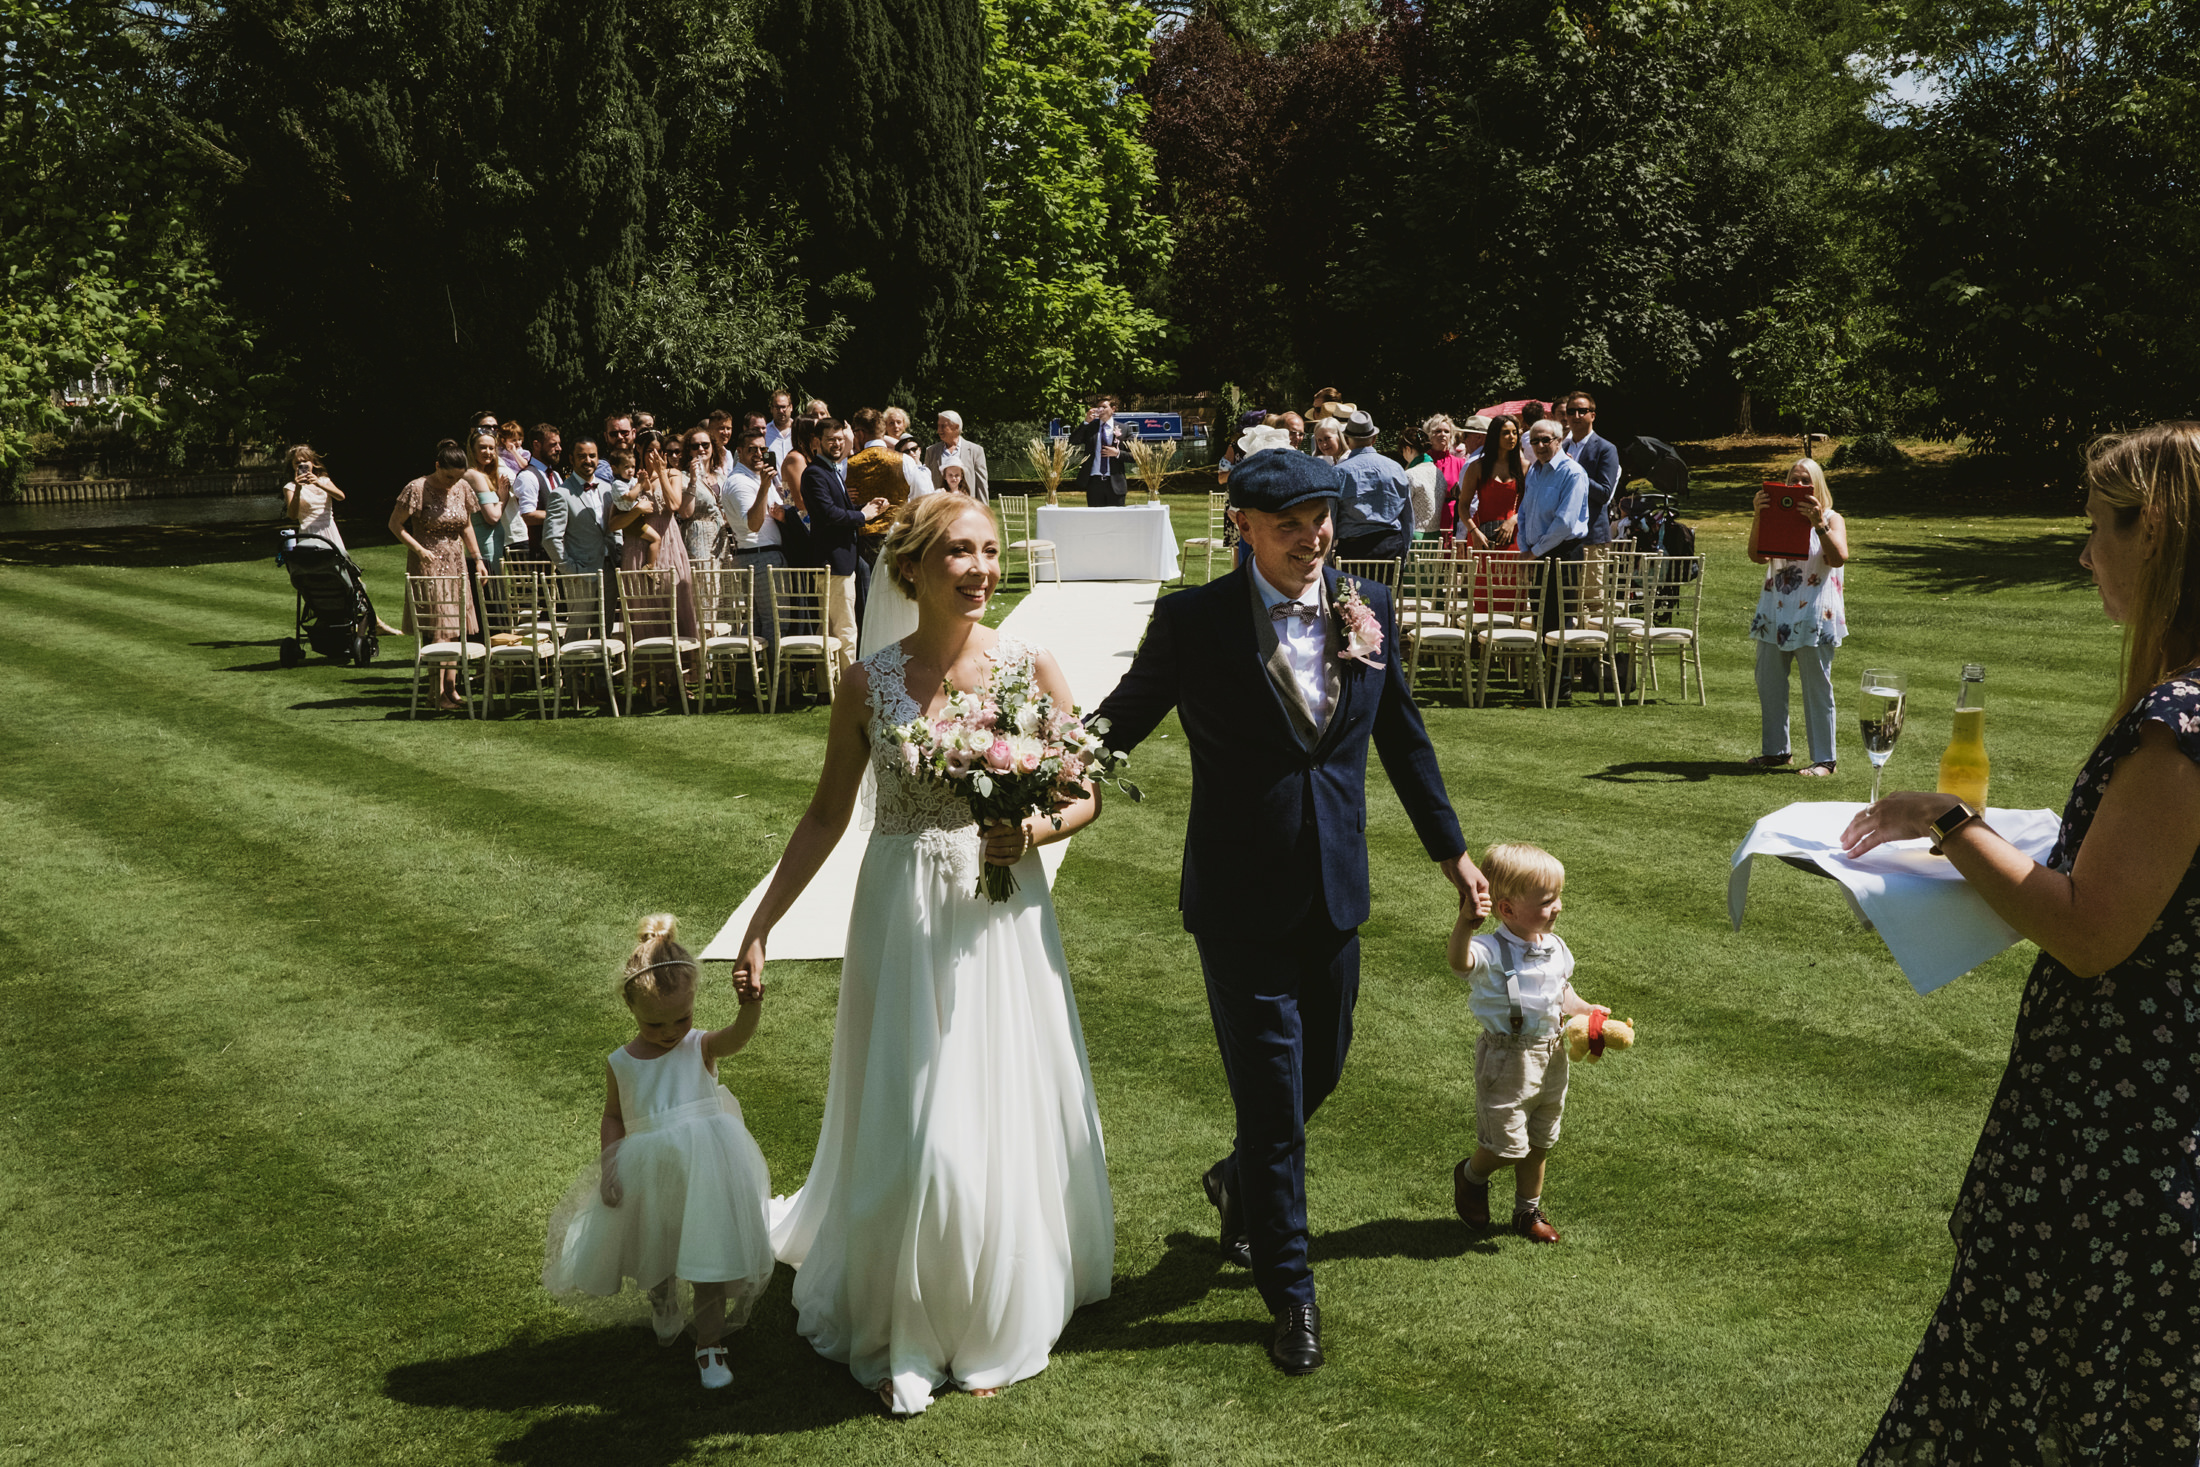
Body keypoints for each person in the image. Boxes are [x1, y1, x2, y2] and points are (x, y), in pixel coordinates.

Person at [1839, 421, 2200, 1465]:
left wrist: (1948, 825)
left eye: (2098, 532)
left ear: (2160, 535)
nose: (2086, 555)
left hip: (2111, 1162)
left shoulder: (2181, 723)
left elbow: (2091, 933)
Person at [1089, 446, 1489, 1377]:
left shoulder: (1369, 608)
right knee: (1276, 1109)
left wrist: (1453, 854)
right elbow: (1120, 721)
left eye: (1323, 520)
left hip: (1335, 890)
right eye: (1290, 525)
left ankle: (1237, 1183)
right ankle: (1292, 1292)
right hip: (1235, 898)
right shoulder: (1193, 622)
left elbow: (1405, 740)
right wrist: (1021, 774)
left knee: (1323, 1070)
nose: (1313, 539)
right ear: (1245, 529)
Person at [729, 494, 1113, 1415]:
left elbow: (1086, 792)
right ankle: (908, 1301)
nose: (980, 569)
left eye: (989, 551)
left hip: (1003, 914)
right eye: (958, 553)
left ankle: (990, 1304)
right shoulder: (868, 683)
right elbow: (827, 814)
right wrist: (761, 924)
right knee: (913, 1109)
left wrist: (1034, 828)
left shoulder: (1031, 667)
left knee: (992, 1099)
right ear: (912, 569)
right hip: (901, 912)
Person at [541, 914, 774, 1391]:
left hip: (705, 1169)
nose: (670, 1032)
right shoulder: (621, 1063)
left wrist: (749, 1008)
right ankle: (663, 1300)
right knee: (657, 1246)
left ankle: (709, 1343)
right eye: (655, 1023)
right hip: (651, 1170)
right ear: (631, 1009)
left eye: (681, 1018)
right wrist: (611, 1163)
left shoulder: (698, 1047)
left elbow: (737, 1037)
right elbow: (614, 1117)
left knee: (707, 1252)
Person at [1447, 843, 1604, 1245]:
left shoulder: (1555, 947)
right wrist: (1465, 923)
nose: (1558, 907)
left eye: (1559, 897)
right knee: (1506, 1144)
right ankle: (1471, 1176)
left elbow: (1561, 994)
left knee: (1540, 1139)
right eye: (1547, 900)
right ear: (1507, 909)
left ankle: (1527, 1210)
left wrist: (1587, 1012)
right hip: (1507, 1058)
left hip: (1551, 1055)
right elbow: (1459, 963)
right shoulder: (1490, 949)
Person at [1746, 458, 1848, 775]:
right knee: (1769, 682)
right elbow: (1757, 555)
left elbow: (1839, 557)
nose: (1800, 487)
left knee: (1817, 687)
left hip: (1815, 611)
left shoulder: (1832, 518)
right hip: (1775, 608)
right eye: (1794, 481)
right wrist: (1759, 516)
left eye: (1807, 481)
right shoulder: (1777, 517)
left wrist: (1819, 523)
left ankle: (1824, 759)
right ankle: (1776, 751)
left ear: (1818, 485)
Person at [388, 439, 488, 712]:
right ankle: (436, 693)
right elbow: (395, 525)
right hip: (429, 563)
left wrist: (477, 559)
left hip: (456, 562)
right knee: (440, 629)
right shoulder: (416, 488)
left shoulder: (462, 488)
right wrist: (419, 549)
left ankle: (451, 690)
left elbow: (467, 525)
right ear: (436, 466)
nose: (450, 483)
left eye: (456, 478)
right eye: (447, 476)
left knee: (455, 628)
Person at [799, 418, 887, 681]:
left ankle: (831, 687)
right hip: (832, 563)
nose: (837, 444)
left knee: (835, 631)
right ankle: (851, 689)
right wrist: (864, 516)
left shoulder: (832, 470)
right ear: (817, 442)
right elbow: (828, 515)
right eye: (830, 439)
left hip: (840, 561)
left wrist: (865, 507)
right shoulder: (815, 473)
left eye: (840, 439)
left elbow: (840, 511)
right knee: (845, 630)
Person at [1517, 419, 1591, 699]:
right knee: (1541, 617)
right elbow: (1524, 512)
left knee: (1559, 619)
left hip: (1562, 551)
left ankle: (1561, 685)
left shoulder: (1572, 472)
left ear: (1559, 440)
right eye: (1535, 441)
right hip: (1536, 551)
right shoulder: (1534, 471)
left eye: (1546, 440)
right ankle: (1543, 680)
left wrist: (1534, 552)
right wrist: (1525, 546)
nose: (1540, 446)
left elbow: (1564, 523)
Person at [722, 427, 786, 646]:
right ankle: (777, 679)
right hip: (759, 557)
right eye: (752, 450)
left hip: (763, 556)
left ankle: (749, 680)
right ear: (739, 451)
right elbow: (753, 525)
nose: (759, 453)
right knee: (776, 622)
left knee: (757, 625)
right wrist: (765, 488)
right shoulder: (739, 482)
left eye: (762, 449)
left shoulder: (758, 477)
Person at [1560, 393, 1621, 615]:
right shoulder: (1561, 446)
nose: (1576, 416)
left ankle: (1595, 649)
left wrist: (1575, 470)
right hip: (1564, 536)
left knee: (1592, 602)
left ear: (1592, 415)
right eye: (1570, 411)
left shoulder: (1605, 448)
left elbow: (1604, 493)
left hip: (1591, 537)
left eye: (1582, 411)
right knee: (1568, 602)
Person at [1332, 411, 1413, 562]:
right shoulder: (1396, 468)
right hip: (1391, 548)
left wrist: (1328, 554)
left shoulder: (1339, 472)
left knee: (1350, 587)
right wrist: (1405, 550)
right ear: (1374, 439)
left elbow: (1332, 515)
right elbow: (1407, 516)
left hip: (1351, 550)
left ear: (1347, 440)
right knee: (1389, 586)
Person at [1456, 416, 1524, 549]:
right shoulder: (1476, 467)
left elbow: (1530, 504)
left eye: (1514, 433)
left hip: (1515, 534)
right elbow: (1463, 506)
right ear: (1494, 436)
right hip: (1481, 536)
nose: (1511, 437)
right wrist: (1473, 531)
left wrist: (1513, 521)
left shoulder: (1525, 467)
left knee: (1512, 570)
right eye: (1506, 433)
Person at [508, 422, 560, 567]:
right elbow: (528, 516)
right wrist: (562, 514)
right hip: (541, 556)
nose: (559, 449)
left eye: (559, 444)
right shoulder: (528, 476)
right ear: (536, 445)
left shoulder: (555, 475)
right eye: (553, 444)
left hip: (560, 553)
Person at [465, 429, 514, 571]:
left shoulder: (482, 475)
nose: (488, 452)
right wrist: (502, 499)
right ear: (472, 450)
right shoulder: (475, 476)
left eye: (491, 448)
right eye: (482, 447)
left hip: (493, 547)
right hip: (486, 548)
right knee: (492, 591)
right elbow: (492, 517)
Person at [678, 428, 729, 563]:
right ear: (689, 451)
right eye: (695, 446)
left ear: (713, 447)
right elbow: (685, 513)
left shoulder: (722, 478)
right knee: (702, 581)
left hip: (721, 538)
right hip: (697, 538)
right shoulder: (683, 477)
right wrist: (693, 480)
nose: (701, 449)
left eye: (705, 445)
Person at [1069, 394, 1128, 507]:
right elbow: (1073, 441)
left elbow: (1134, 455)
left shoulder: (1124, 429)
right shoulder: (1090, 427)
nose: (1100, 410)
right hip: (1094, 482)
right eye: (1098, 407)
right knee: (1095, 521)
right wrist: (1086, 422)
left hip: (1115, 483)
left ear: (1113, 409)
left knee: (1117, 521)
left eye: (1104, 407)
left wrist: (1117, 453)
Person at [922, 411, 990, 503]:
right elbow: (925, 484)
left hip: (967, 508)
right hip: (939, 509)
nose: (938, 430)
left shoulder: (976, 451)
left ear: (956, 427)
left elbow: (982, 485)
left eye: (943, 426)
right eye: (938, 426)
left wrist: (983, 512)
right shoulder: (931, 451)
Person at [1400, 425, 1443, 539]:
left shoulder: (1410, 475)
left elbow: (1401, 508)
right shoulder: (1439, 472)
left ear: (1408, 449)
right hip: (1436, 536)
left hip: (1414, 537)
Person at [595, 411, 638, 483]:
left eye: (624, 432)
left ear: (633, 433)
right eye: (613, 434)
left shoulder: (644, 460)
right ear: (606, 437)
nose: (619, 437)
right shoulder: (602, 469)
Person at [764, 391, 796, 464]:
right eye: (777, 407)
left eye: (783, 407)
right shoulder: (765, 432)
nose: (781, 411)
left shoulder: (799, 431)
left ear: (791, 407)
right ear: (771, 409)